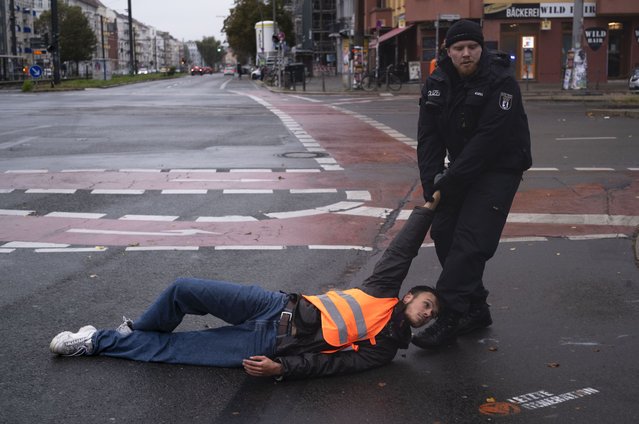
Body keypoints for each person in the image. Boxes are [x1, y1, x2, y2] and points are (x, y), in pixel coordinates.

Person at [50, 198, 441, 380]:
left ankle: (95, 341)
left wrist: (280, 369)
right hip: (275, 305)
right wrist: (426, 210)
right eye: (427, 303)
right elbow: (401, 251)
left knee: (174, 351)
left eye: (432, 315)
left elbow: (332, 364)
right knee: (183, 288)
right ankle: (133, 332)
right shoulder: (382, 290)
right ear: (408, 296)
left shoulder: (385, 350)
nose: (427, 313)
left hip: (271, 346)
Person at [413, 20, 532, 349]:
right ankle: (475, 307)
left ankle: (449, 315)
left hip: (500, 167)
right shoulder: (437, 82)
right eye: (459, 48)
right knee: (444, 232)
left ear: (481, 49)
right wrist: (431, 184)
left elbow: (488, 141)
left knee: (470, 239)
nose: (466, 54)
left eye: (472, 47)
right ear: (447, 52)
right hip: (463, 169)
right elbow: (429, 138)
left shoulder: (501, 81)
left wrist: (449, 181)